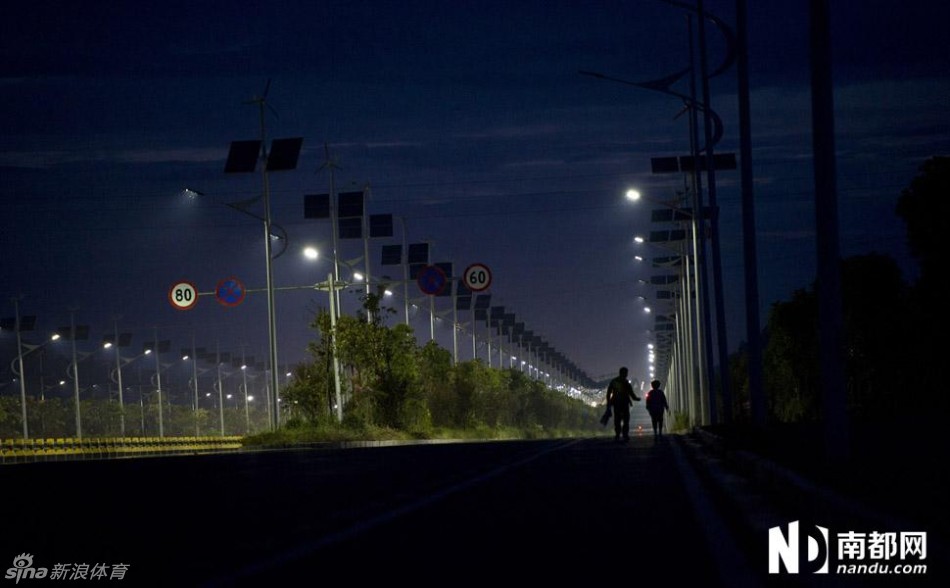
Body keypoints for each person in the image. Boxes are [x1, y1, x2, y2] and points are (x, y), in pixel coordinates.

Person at [606, 367, 640, 442]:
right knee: (626, 419)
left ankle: (617, 434)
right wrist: (636, 399)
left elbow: (609, 393)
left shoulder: (613, 381)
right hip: (624, 403)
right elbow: (631, 393)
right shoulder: (626, 382)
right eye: (626, 373)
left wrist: (608, 402)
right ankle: (625, 435)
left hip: (616, 403)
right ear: (624, 373)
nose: (627, 374)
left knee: (617, 419)